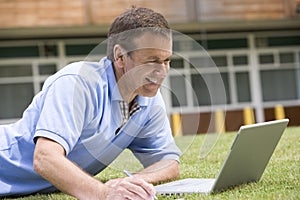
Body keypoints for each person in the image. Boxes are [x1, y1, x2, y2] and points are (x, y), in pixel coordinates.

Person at [0, 7, 181, 200]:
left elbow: (169, 162)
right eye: (152, 61)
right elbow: (45, 158)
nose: (162, 71)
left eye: (166, 60)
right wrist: (103, 193)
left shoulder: (149, 100)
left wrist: (131, 183)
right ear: (120, 56)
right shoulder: (77, 82)